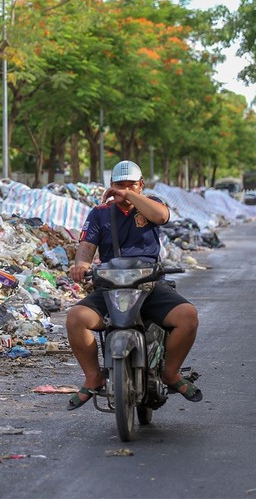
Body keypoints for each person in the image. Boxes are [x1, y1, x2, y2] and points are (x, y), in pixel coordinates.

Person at [66, 160, 201, 410]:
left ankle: (170, 373)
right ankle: (94, 376)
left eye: (131, 185)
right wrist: (82, 264)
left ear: (142, 186)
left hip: (149, 285)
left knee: (188, 316)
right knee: (76, 318)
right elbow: (86, 247)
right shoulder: (100, 213)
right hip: (110, 286)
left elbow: (161, 216)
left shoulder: (151, 205)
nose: (123, 191)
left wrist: (129, 194)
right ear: (110, 185)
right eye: (119, 185)